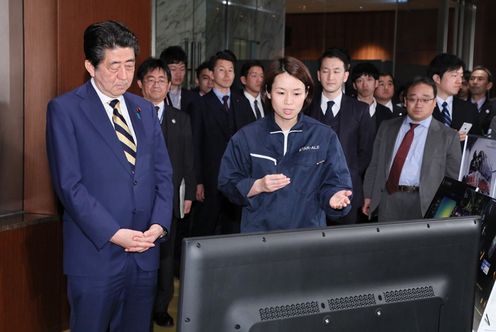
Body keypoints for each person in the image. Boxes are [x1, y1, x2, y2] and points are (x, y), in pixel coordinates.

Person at [46, 21, 173, 332]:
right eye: (113, 66)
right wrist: (115, 233)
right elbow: (69, 186)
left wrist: (158, 226)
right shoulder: (65, 110)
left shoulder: (143, 108)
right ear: (91, 66)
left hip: (144, 252)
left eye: (129, 64)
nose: (124, 75)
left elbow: (163, 174)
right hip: (96, 254)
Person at [218, 56, 353, 233]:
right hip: (260, 235)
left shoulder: (323, 136)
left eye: (296, 93)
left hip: (308, 235)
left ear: (306, 93)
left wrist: (334, 197)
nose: (289, 101)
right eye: (281, 93)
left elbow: (336, 183)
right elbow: (227, 182)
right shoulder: (247, 136)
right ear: (267, 92)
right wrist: (257, 186)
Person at [136, 57, 195, 327]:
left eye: (162, 80)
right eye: (151, 79)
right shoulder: (130, 115)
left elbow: (188, 159)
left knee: (166, 255)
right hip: (136, 199)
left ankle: (161, 306)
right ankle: (140, 305)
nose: (157, 85)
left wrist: (189, 193)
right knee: (140, 253)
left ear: (170, 85)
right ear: (140, 84)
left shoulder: (180, 118)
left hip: (170, 198)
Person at [362, 77, 461, 222]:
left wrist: (445, 212)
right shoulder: (387, 127)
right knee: (387, 243)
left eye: (426, 99)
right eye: (413, 98)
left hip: (424, 202)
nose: (419, 104)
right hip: (388, 197)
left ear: (434, 103)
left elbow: (452, 179)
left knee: (420, 245)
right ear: (405, 101)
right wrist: (369, 195)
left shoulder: (448, 136)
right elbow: (375, 164)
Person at [190, 50, 255, 236]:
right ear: (211, 74)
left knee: (234, 226)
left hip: (238, 176)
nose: (227, 75)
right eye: (221, 70)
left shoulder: (242, 102)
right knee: (205, 225)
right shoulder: (200, 104)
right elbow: (195, 145)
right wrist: (198, 181)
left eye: (230, 70)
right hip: (211, 177)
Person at [306, 48, 374, 224]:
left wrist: (344, 175)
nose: (330, 77)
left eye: (336, 71)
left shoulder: (359, 110)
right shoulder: (305, 109)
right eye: (326, 71)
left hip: (347, 192)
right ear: (318, 75)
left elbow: (365, 152)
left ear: (345, 76)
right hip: (309, 191)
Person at [427, 53, 481, 140]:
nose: (459, 81)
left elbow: (477, 142)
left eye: (461, 76)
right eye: (454, 76)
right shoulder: (422, 107)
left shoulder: (469, 109)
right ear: (437, 78)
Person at [350, 62, 395, 130]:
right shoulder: (347, 109)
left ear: (376, 83)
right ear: (354, 85)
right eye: (360, 81)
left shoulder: (387, 113)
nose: (365, 85)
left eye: (369, 80)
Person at [159, 45, 197, 113]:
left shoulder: (193, 97)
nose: (178, 74)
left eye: (182, 69)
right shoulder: (157, 95)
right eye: (173, 69)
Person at [469, 66, 496, 135]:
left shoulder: (493, 107)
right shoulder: (460, 105)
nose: (475, 82)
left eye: (480, 79)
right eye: (472, 78)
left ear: (489, 85)